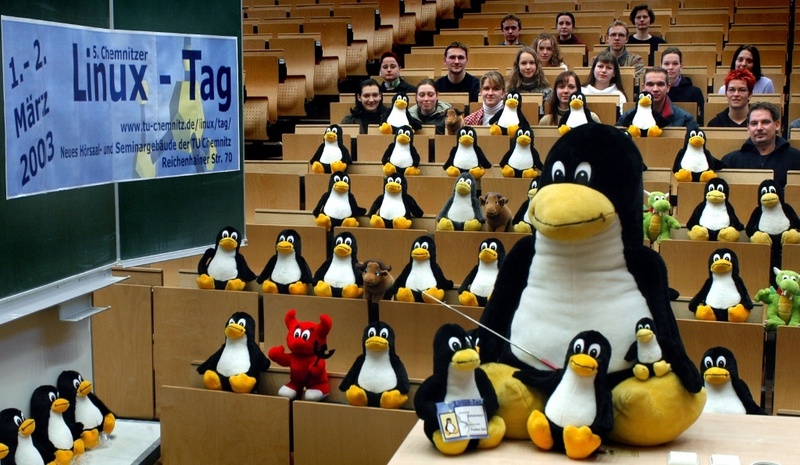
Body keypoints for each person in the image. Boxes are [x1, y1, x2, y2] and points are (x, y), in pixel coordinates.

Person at [721, 102, 800, 187]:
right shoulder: (731, 161)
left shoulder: (796, 158)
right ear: (748, 128)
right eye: (754, 123)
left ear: (777, 125)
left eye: (765, 122)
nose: (759, 128)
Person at [617, 67, 698, 130]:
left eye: (660, 84)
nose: (655, 89)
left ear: (668, 87)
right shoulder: (627, 118)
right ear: (643, 87)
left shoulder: (685, 119)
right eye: (650, 84)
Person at [661, 47, 705, 125]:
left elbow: (701, 120)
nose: (670, 67)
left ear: (681, 67)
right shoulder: (655, 91)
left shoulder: (695, 92)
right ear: (661, 66)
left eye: (675, 63)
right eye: (666, 64)